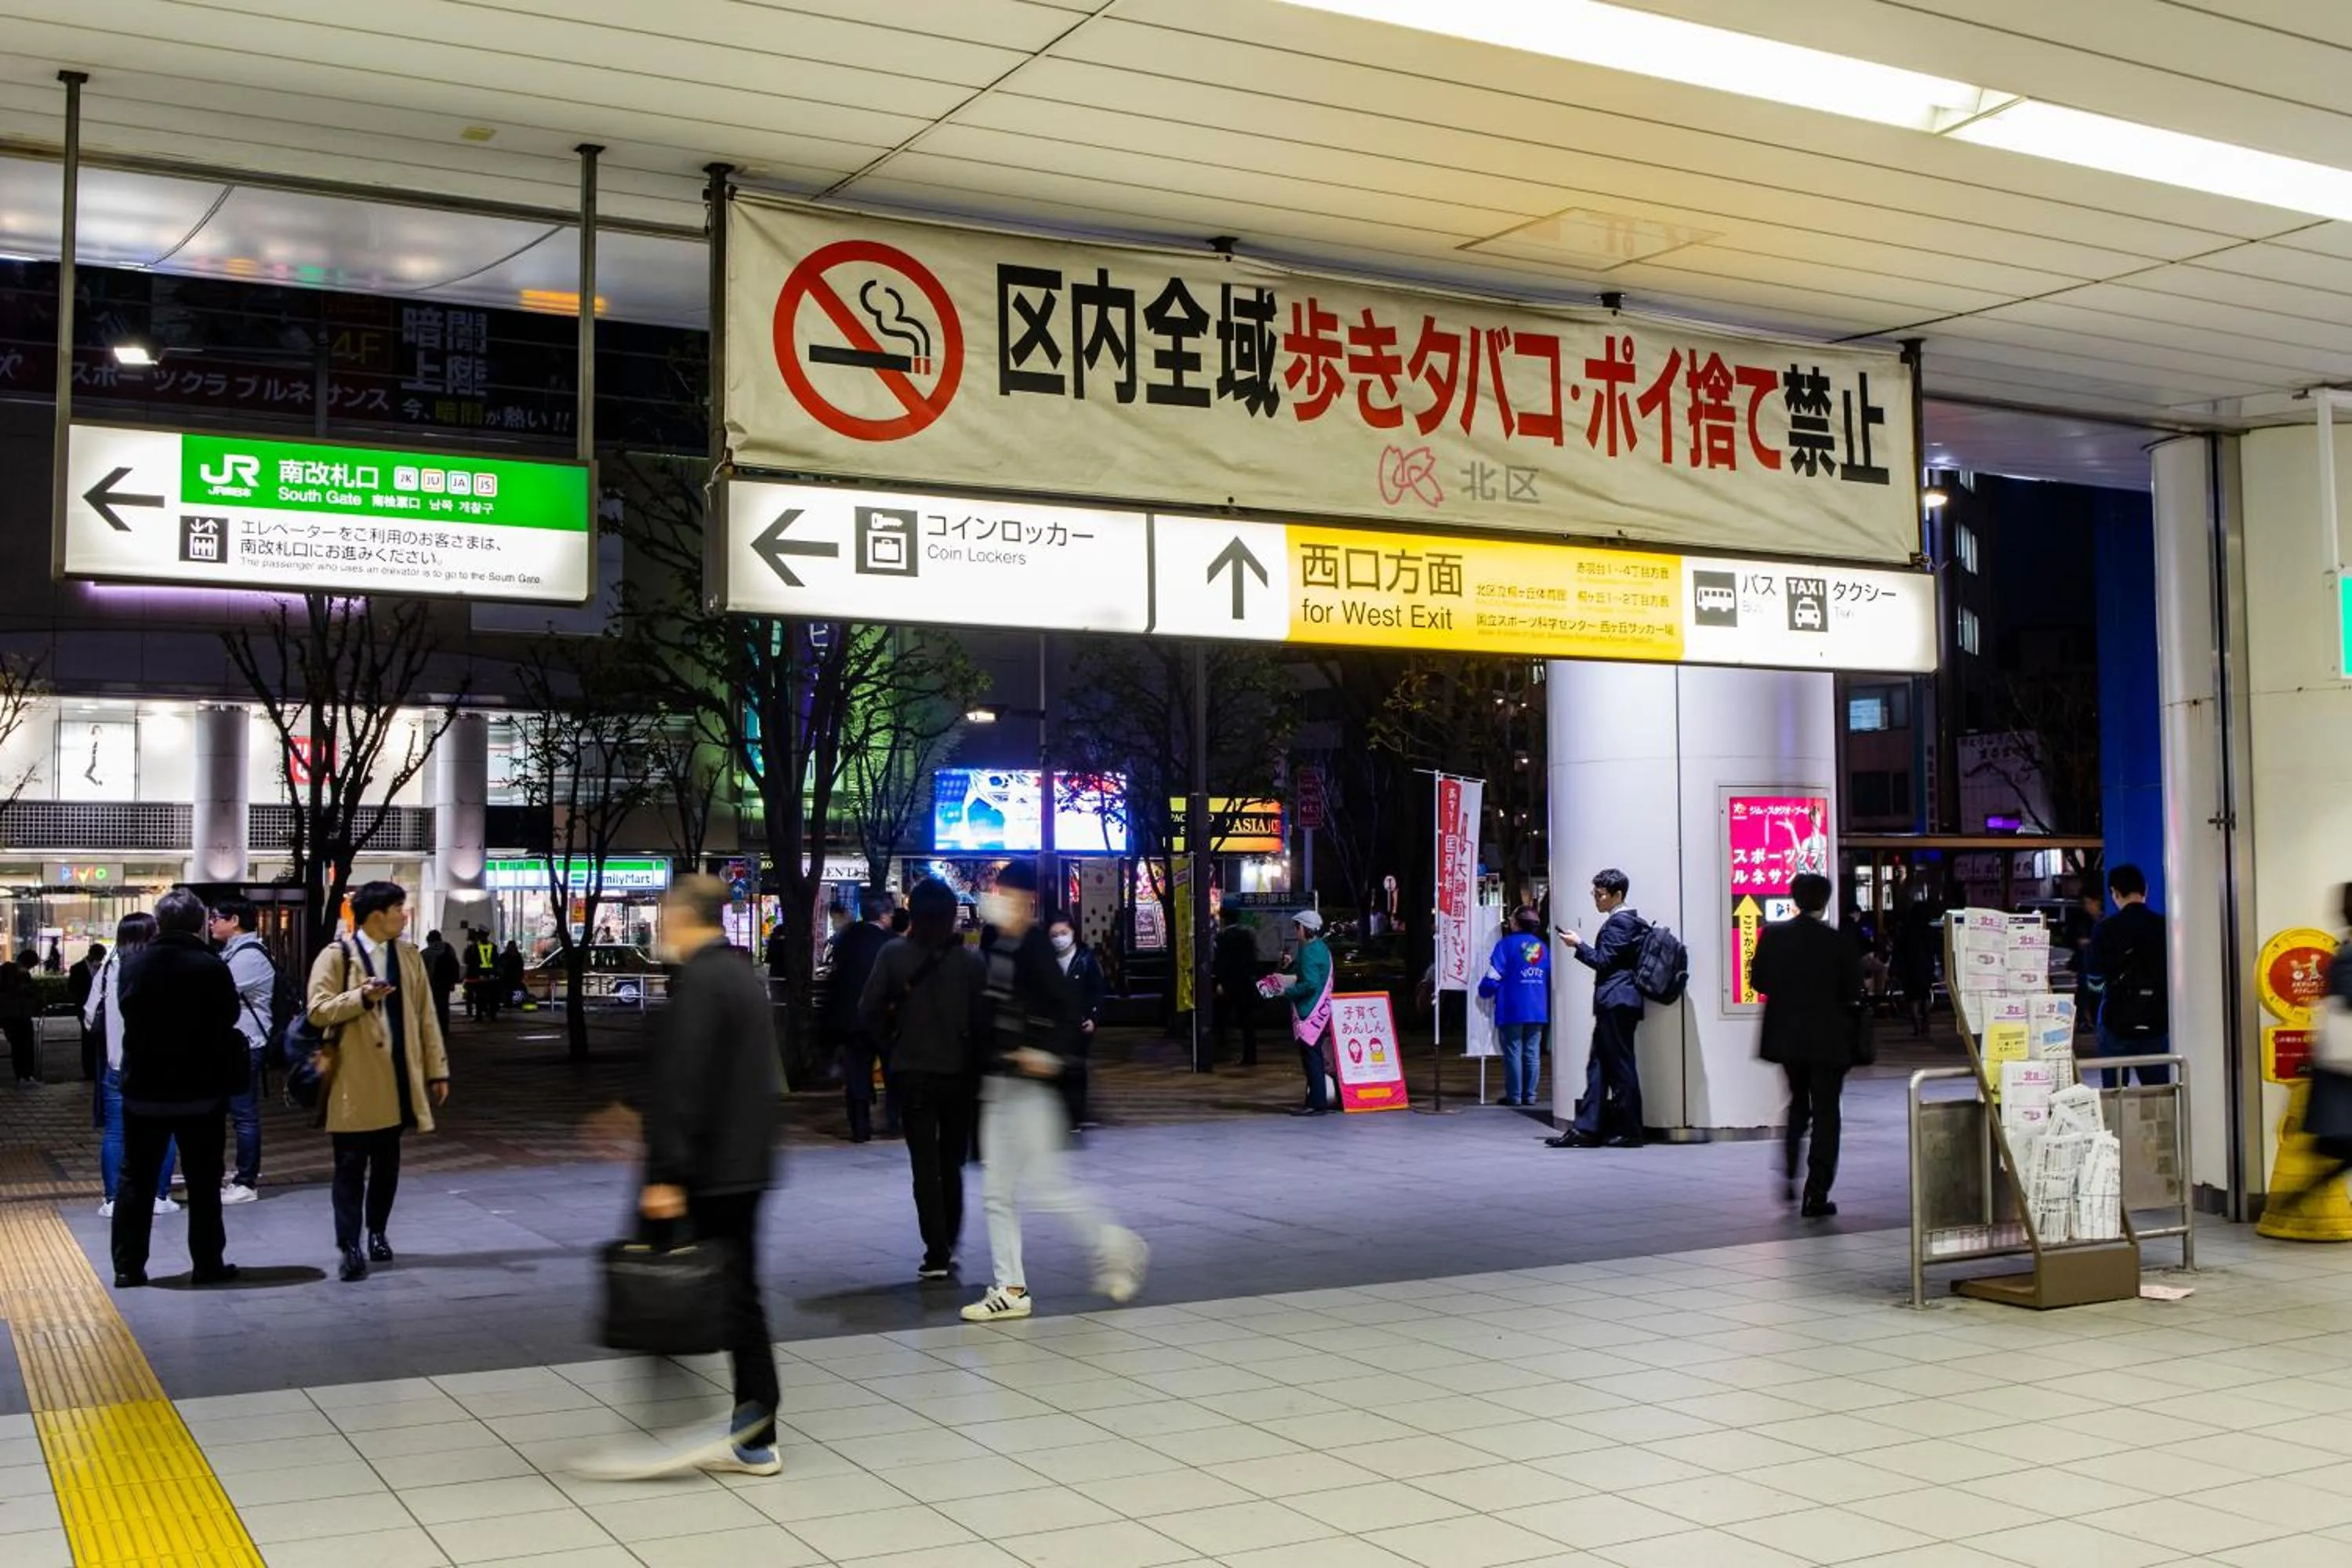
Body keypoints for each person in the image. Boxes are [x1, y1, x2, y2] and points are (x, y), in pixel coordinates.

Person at [637, 875, 784, 1475]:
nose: (661, 923)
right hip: (745, 1163)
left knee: (720, 1293)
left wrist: (667, 1173)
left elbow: (685, 1084)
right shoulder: (742, 977)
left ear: (685, 914)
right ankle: (752, 1422)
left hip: (711, 1167)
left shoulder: (700, 981)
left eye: (666, 912)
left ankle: (753, 1428)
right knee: (738, 1291)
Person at [960, 862, 1145, 1323]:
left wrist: (1045, 1054)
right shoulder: (998, 943)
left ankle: (1114, 1244)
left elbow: (1065, 1009)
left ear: (1026, 901)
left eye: (1005, 893)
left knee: (1047, 1187)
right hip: (998, 1084)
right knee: (997, 1192)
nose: (996, 900)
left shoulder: (1036, 946)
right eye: (995, 891)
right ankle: (1011, 1288)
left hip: (1031, 1088)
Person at [307, 880, 451, 1283]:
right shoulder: (337, 955)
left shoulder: (408, 956)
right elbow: (317, 1011)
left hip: (398, 1079)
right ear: (376, 916)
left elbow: (426, 1017)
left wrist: (437, 1069)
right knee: (349, 1166)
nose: (404, 915)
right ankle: (349, 1245)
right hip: (352, 1083)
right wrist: (361, 997)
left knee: (387, 1164)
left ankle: (377, 1232)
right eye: (398, 909)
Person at [111, 888, 244, 1289]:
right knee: (204, 1180)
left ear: (160, 922)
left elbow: (127, 1010)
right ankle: (207, 1263)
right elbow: (229, 1015)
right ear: (198, 923)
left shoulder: (133, 964)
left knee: (136, 1179)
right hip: (200, 1091)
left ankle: (128, 1267)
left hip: (144, 1090)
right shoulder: (210, 965)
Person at [861, 877, 982, 1281]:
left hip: (912, 1072)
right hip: (959, 1075)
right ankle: (951, 1238)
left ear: (912, 913)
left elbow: (868, 1009)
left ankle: (936, 1250)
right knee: (952, 1162)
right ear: (951, 915)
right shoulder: (970, 962)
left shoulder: (893, 954)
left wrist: (892, 1046)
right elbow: (983, 1021)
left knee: (924, 1164)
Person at [1750, 873, 1867, 1218]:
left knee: (1798, 1103)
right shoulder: (1837, 941)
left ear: (1795, 899)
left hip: (1787, 1038)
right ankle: (1816, 1192)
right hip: (1830, 1040)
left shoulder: (1773, 936)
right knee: (1827, 1112)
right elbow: (1853, 990)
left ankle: (1789, 1172)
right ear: (1825, 901)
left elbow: (1759, 981)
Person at [86, 916, 177, 1220]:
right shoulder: (164, 967)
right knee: (164, 1131)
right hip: (159, 1066)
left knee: (116, 1133)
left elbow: (89, 1016)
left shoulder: (108, 969)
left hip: (117, 1064)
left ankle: (113, 1200)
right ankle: (159, 1196)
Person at [1549, 869, 1647, 1149]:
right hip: (1617, 1002)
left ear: (1618, 894)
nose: (1596, 899)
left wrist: (1578, 945)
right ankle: (1587, 1129)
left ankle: (1628, 1131)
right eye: (1595, 893)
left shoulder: (1621, 923)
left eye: (1601, 894)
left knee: (1619, 1067)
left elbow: (1603, 961)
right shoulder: (1626, 922)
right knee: (1599, 1066)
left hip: (1617, 1001)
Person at [210, 896, 277, 1206]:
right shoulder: (235, 952)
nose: (211, 922)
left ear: (234, 921)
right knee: (233, 1113)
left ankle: (246, 1181)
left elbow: (216, 992)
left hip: (246, 1045)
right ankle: (232, 1178)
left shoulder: (249, 956)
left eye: (216, 917)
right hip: (233, 1045)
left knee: (244, 1115)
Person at [2085, 863, 2169, 1087]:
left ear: (2115, 892)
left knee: (2115, 1092)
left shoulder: (2106, 928)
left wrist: (2094, 1007)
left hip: (2117, 1020)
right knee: (2158, 1091)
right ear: (2145, 890)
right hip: (2156, 1020)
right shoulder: (2164, 926)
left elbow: (2094, 978)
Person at [828, 892, 894, 1142]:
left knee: (856, 1074)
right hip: (883, 1019)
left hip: (852, 1019)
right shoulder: (890, 944)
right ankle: (893, 1121)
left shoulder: (846, 940)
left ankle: (860, 1127)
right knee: (892, 1071)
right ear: (884, 916)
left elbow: (836, 979)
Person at [1479, 906, 1552, 1108]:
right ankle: (1530, 1095)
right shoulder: (1543, 947)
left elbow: (1494, 975)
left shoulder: (1506, 945)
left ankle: (1515, 1096)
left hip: (1512, 1007)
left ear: (1517, 923)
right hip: (1537, 1007)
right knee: (1532, 1052)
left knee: (1513, 1051)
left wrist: (1484, 990)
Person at [1277, 909, 1337, 1117]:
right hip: (1321, 1010)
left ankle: (1317, 1103)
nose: (1296, 931)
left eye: (1297, 927)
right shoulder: (1320, 947)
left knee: (1312, 1059)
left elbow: (1310, 984)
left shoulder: (1309, 951)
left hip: (1309, 1010)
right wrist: (1290, 965)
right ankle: (1315, 1100)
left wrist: (1287, 992)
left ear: (1304, 928)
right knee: (1316, 1057)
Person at [1051, 915, 1105, 1131]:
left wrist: (1093, 1018)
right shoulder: (1047, 960)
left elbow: (1097, 991)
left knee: (1076, 1069)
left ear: (1073, 932)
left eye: (1063, 933)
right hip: (1055, 1025)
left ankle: (1075, 1116)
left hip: (1079, 1024)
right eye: (1054, 935)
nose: (1059, 939)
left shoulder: (1085, 959)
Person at [1213, 909, 1262, 1066]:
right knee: (1247, 1021)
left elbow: (1220, 962)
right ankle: (1250, 1055)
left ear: (1224, 920)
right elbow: (1254, 958)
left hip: (1229, 982)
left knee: (1220, 1017)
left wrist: (1220, 982)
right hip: (1246, 982)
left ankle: (1220, 1049)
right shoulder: (1248, 934)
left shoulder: (1222, 937)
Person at [1895, 895, 1939, 1038]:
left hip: (1909, 966)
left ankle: (1916, 1026)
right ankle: (1926, 1021)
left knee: (1912, 997)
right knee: (1925, 994)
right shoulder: (1931, 931)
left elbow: (1898, 950)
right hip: (1926, 965)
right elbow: (1936, 949)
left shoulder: (1905, 930)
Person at [68, 941, 103, 1081]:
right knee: (87, 1040)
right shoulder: (77, 968)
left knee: (98, 1040)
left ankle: (97, 1069)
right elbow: (72, 988)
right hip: (84, 1008)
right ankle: (89, 1070)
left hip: (100, 1009)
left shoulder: (102, 968)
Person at [421, 927, 462, 1040]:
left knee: (431, 1007)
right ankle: (444, 1029)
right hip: (445, 984)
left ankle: (433, 1030)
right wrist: (453, 982)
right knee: (444, 1006)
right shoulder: (448, 948)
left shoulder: (425, 953)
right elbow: (455, 965)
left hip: (432, 984)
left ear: (429, 939)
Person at [0, 954, 34, 1085]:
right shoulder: (7, 971)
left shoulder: (25, 975)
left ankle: (28, 1074)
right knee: (18, 1046)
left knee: (27, 1045)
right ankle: (21, 1074)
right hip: (12, 1015)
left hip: (23, 1014)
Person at [464, 925, 500, 1022]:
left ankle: (479, 1016)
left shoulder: (474, 947)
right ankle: (492, 1015)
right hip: (491, 975)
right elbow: (496, 961)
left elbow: (469, 961)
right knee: (492, 996)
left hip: (479, 975)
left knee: (480, 996)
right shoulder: (493, 946)